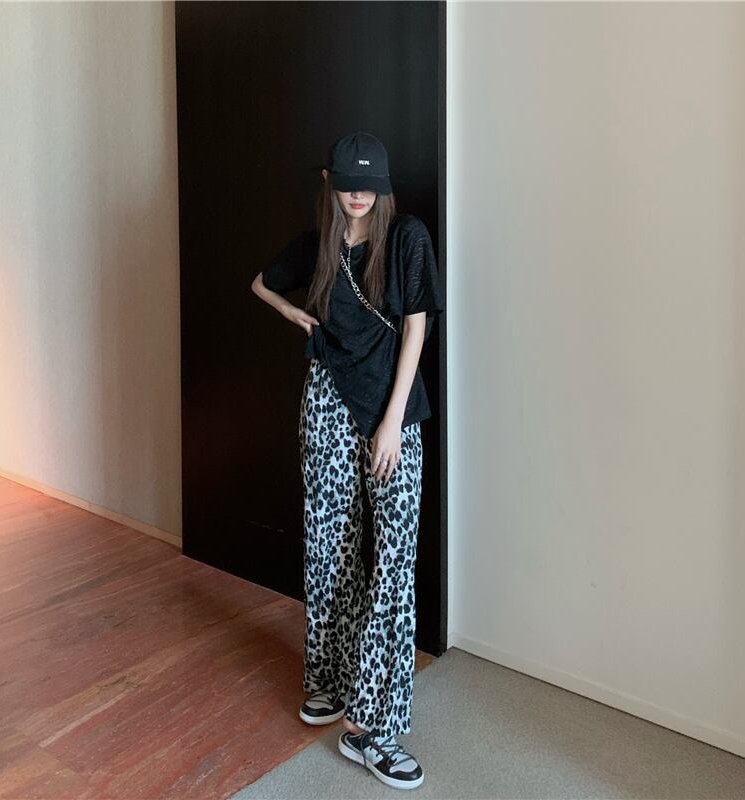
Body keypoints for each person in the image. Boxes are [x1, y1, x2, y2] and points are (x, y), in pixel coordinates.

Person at [251, 131, 444, 790]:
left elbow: (416, 327)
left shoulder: (407, 238)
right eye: (347, 183)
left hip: (391, 413)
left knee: (393, 563)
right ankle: (331, 680)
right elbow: (260, 283)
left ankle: (373, 727)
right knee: (329, 545)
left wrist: (391, 422)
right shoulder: (320, 246)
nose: (358, 195)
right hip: (328, 404)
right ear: (330, 183)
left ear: (383, 188)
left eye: (369, 185)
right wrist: (294, 314)